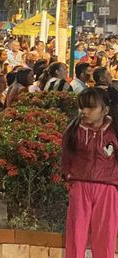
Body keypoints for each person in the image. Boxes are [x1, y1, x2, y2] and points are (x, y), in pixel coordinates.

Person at [62, 88, 118, 258]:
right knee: (76, 235)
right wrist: (69, 180)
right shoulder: (73, 131)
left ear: (105, 110)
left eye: (91, 107)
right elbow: (66, 158)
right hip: (79, 186)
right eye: (81, 107)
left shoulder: (114, 131)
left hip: (108, 189)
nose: (84, 111)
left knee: (105, 237)